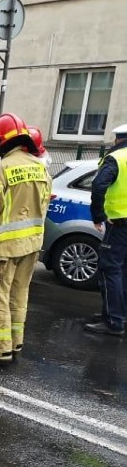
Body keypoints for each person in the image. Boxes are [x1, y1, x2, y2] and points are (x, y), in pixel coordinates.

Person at [0, 113, 51, 365]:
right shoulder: (40, 167)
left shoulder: (1, 168)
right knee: (18, 294)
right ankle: (14, 344)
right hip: (31, 245)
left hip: (2, 248)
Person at [83, 123, 127, 337]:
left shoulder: (117, 158)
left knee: (109, 269)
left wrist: (98, 216)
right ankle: (119, 313)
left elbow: (99, 185)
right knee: (123, 271)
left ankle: (113, 321)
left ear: (119, 139)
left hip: (118, 223)